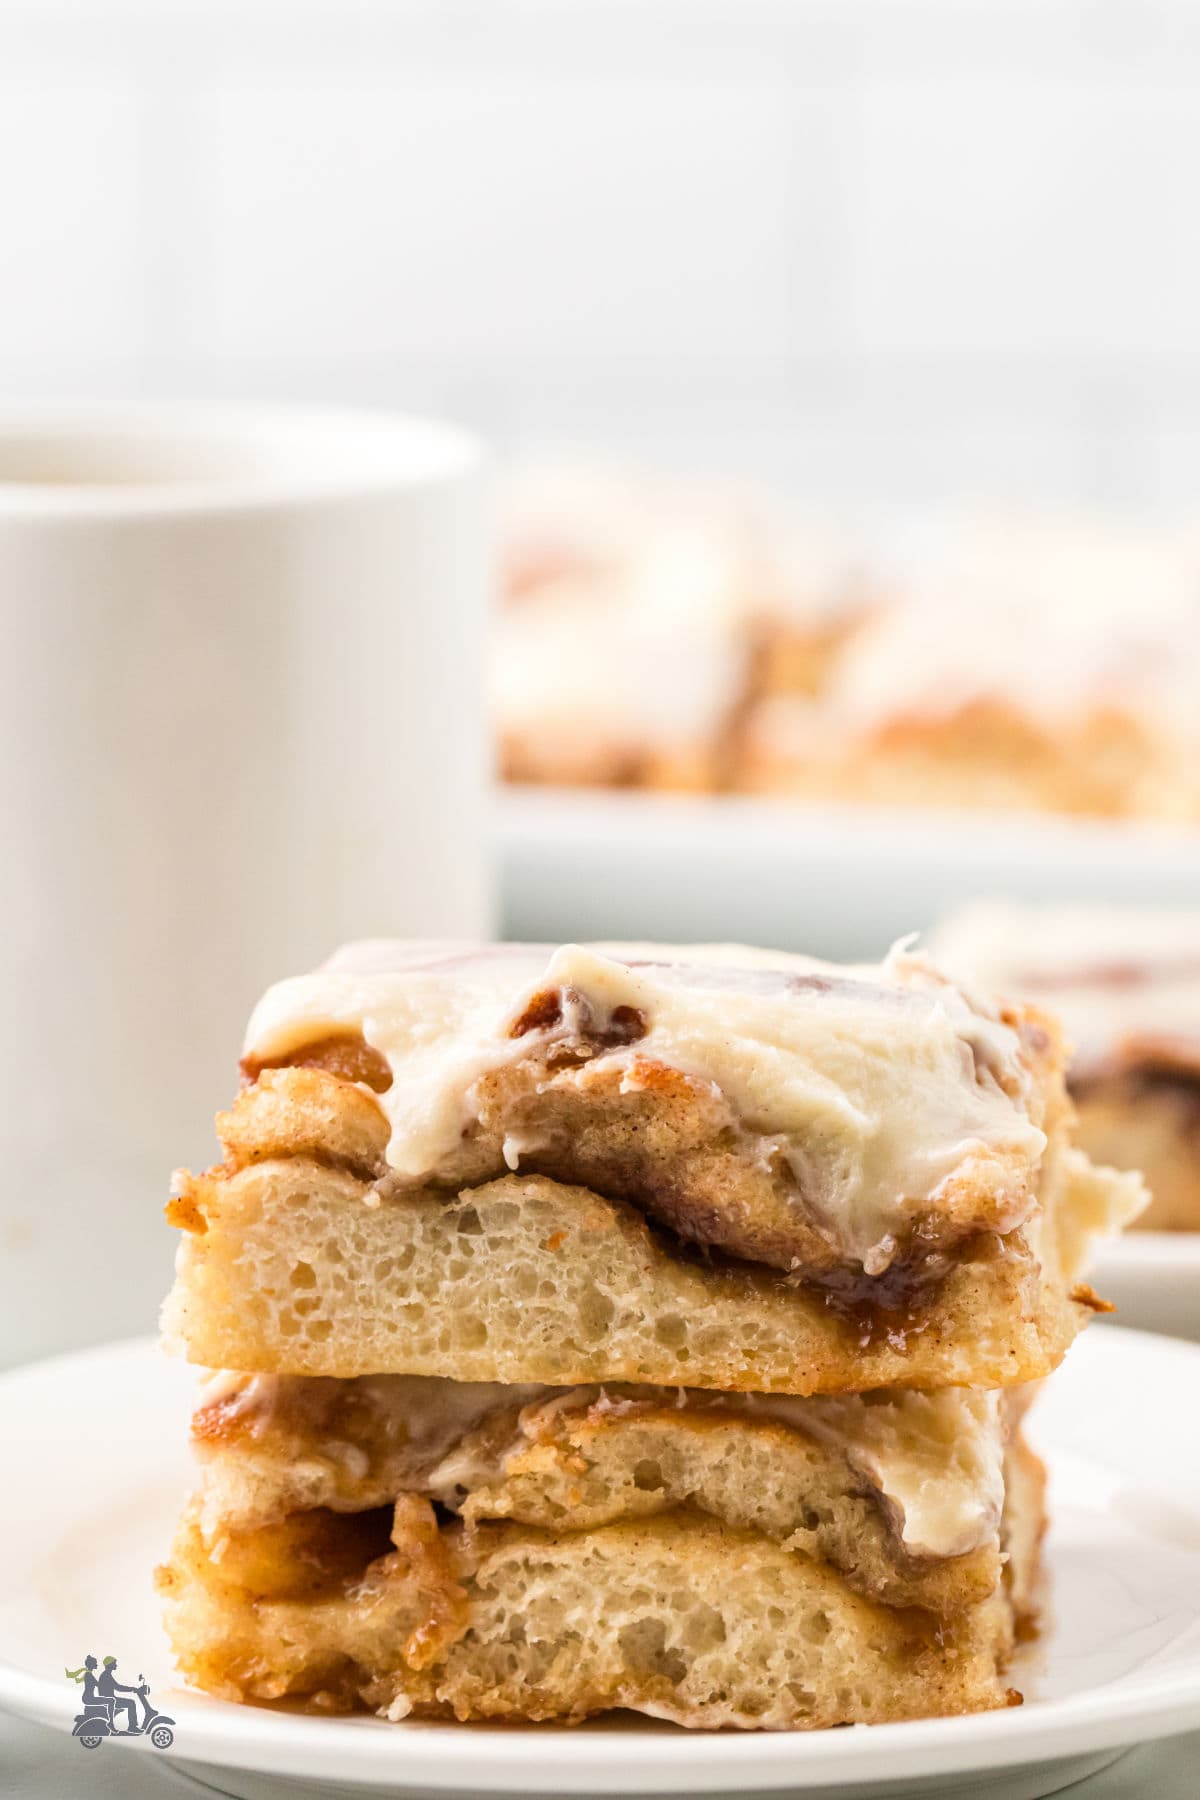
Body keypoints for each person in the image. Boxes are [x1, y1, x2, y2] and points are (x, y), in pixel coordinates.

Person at [95, 1655, 140, 1732]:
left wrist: (132, 1689)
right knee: (131, 1703)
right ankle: (132, 1727)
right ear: (110, 1664)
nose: (116, 1665)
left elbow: (117, 1687)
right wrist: (132, 1689)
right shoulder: (106, 1675)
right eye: (114, 1663)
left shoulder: (107, 1674)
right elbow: (118, 1688)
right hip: (109, 1700)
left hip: (110, 1699)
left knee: (130, 1702)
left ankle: (132, 1726)